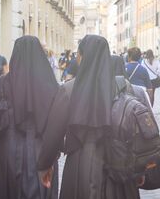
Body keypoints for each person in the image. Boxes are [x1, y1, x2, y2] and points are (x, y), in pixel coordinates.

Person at [37, 35, 141, 198]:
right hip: (119, 161)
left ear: (82, 57)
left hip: (81, 163)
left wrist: (45, 164)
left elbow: (54, 133)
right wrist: (138, 168)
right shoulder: (123, 86)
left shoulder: (68, 89)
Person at [0, 36, 59, 198]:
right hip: (41, 152)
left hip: (8, 149)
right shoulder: (51, 85)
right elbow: (57, 124)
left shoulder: (3, 82)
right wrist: (54, 154)